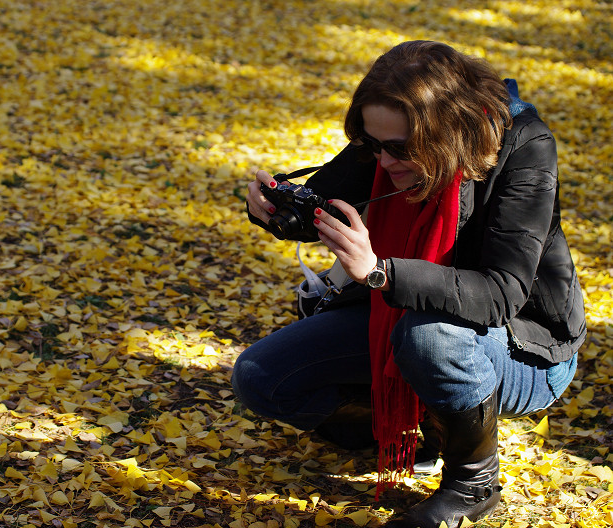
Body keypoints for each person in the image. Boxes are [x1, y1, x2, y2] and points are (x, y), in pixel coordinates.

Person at [231, 41, 586, 528]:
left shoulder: (524, 146)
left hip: (523, 349)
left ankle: (472, 483)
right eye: (372, 145)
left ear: (445, 131)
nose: (382, 160)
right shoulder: (388, 141)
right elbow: (327, 208)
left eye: (398, 150)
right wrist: (277, 210)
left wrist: (380, 271)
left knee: (428, 337)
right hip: (400, 322)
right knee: (260, 378)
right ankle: (412, 425)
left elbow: (501, 292)